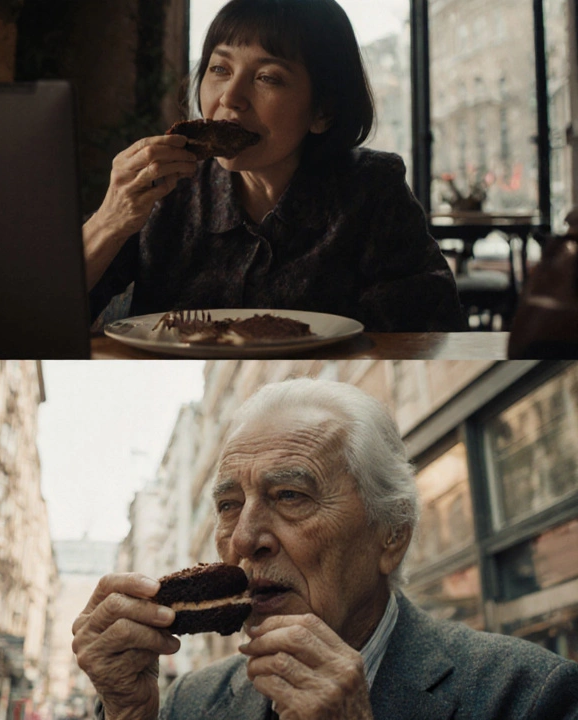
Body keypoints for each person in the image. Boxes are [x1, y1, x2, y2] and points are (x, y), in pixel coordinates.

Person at [72, 379, 578, 720]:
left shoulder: (529, 694)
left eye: (289, 496)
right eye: (229, 505)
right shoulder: (188, 703)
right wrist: (127, 713)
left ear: (392, 534)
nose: (244, 539)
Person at [84, 0, 464, 332]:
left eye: (267, 77)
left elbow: (430, 328)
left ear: (323, 111)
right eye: (219, 69)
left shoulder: (371, 190)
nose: (230, 98)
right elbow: (53, 317)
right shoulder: (167, 185)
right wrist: (110, 220)